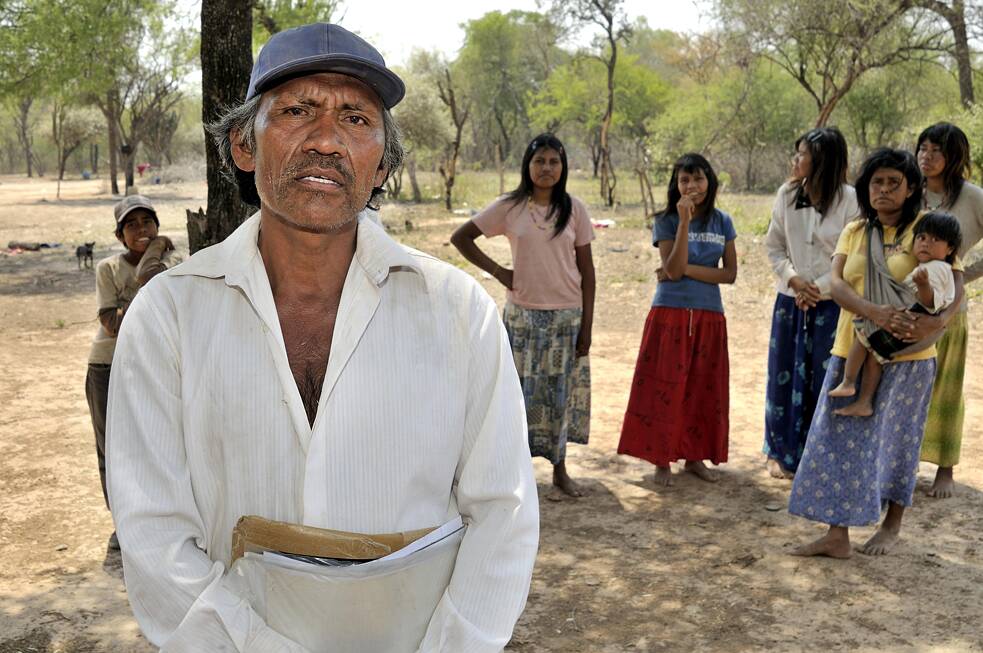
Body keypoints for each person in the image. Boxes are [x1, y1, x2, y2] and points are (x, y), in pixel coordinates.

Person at [106, 23, 538, 652]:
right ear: (243, 146)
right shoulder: (167, 316)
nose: (327, 140)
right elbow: (153, 534)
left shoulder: (457, 313)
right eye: (298, 111)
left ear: (383, 162)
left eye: (356, 119)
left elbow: (503, 513)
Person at [789, 148, 964, 558]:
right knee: (839, 440)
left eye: (894, 182)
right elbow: (836, 282)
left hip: (908, 361)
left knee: (898, 442)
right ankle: (837, 535)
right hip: (851, 347)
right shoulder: (855, 230)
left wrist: (938, 323)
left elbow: (954, 285)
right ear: (866, 189)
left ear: (910, 188)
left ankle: (892, 524)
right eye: (877, 182)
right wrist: (875, 313)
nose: (884, 190)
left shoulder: (929, 228)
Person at [450, 133, 595, 498]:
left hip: (566, 319)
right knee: (516, 399)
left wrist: (587, 328)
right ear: (527, 166)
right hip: (523, 321)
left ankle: (560, 470)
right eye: (539, 161)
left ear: (563, 168)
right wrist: (500, 273)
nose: (546, 169)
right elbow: (462, 237)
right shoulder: (510, 207)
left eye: (554, 162)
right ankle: (515, 474)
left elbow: (588, 274)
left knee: (557, 396)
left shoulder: (574, 209)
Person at [618, 153, 737, 487]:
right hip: (669, 313)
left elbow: (728, 275)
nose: (692, 186)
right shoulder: (667, 221)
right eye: (685, 180)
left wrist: (683, 269)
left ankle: (694, 457)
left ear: (709, 182)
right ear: (676, 185)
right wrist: (684, 223)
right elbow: (670, 270)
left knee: (702, 385)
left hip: (710, 315)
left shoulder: (723, 222)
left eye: (698, 179)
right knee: (662, 385)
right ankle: (661, 458)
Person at [85, 194, 181, 551]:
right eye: (131, 225)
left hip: (152, 364)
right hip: (107, 366)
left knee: (155, 445)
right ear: (120, 235)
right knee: (111, 448)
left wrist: (155, 258)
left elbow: (170, 313)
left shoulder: (175, 263)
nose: (140, 230)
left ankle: (152, 522)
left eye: (147, 223)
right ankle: (120, 524)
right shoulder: (108, 269)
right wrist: (147, 274)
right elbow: (112, 324)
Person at [762, 127, 857, 479]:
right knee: (782, 374)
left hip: (833, 305)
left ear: (822, 160)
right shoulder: (787, 195)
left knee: (826, 378)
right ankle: (779, 451)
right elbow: (774, 246)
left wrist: (815, 288)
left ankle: (821, 454)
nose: (796, 160)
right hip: (791, 301)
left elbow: (851, 257)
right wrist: (794, 280)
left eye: (803, 154)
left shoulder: (851, 200)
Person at [829, 211, 961, 416]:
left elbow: (931, 303)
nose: (926, 243)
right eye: (921, 238)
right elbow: (834, 282)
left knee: (863, 337)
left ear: (950, 248)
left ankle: (848, 381)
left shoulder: (939, 269)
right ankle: (864, 401)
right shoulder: (855, 229)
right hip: (900, 321)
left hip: (904, 323)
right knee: (874, 358)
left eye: (935, 240)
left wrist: (924, 285)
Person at [915, 122, 983, 498]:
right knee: (906, 385)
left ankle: (945, 467)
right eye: (923, 148)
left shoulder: (973, 198)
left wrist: (962, 274)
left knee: (947, 385)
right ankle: (902, 463)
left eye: (936, 150)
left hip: (951, 309)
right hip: (907, 304)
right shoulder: (910, 191)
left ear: (954, 156)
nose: (927, 156)